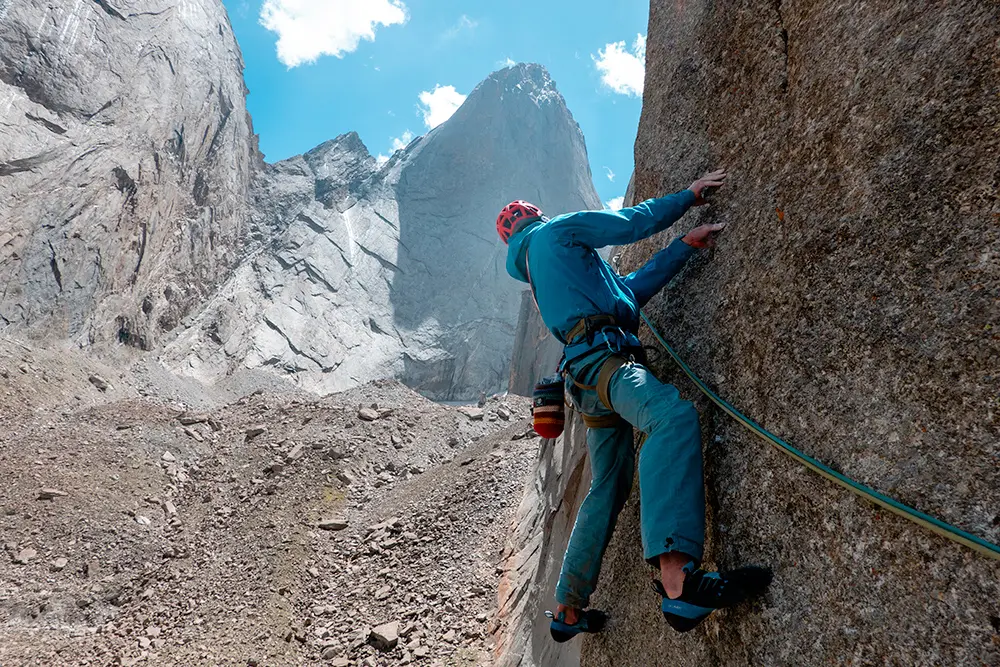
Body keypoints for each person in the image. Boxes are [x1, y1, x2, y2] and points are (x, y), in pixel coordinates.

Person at [497, 170, 771, 640]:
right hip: (607, 364)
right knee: (670, 416)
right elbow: (627, 223)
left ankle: (567, 608)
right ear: (535, 217)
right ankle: (677, 580)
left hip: (585, 379)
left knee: (607, 485)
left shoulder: (546, 274)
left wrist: (683, 246)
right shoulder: (557, 231)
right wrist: (687, 197)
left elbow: (628, 293)